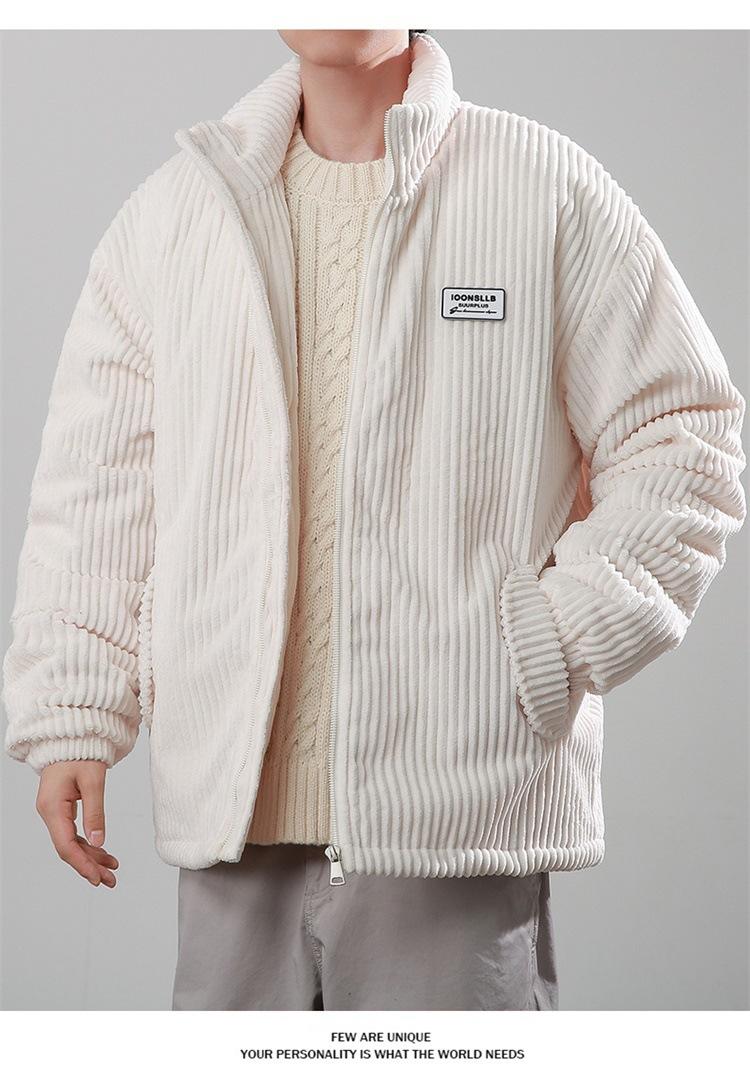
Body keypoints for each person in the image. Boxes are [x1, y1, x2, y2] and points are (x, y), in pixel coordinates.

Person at [2, 29, 746, 1012]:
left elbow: (684, 442)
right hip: (233, 830)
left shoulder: (542, 188)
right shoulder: (177, 216)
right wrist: (72, 715)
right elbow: (98, 484)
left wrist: (546, 643)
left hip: (457, 826)